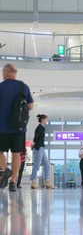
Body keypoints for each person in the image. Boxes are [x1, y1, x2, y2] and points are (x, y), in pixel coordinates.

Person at [0, 63, 34, 192]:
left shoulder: (1, 87)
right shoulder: (23, 87)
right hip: (19, 128)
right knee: (16, 154)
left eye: (3, 71)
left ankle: (5, 169)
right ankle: (13, 182)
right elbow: (30, 106)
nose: (3, 74)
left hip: (2, 127)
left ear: (7, 72)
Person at [30, 114, 55, 189]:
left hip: (42, 148)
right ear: (42, 119)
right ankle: (33, 182)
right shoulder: (39, 128)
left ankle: (47, 181)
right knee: (36, 165)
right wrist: (33, 145)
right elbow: (36, 137)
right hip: (38, 148)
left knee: (47, 165)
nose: (47, 121)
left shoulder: (42, 128)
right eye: (46, 119)